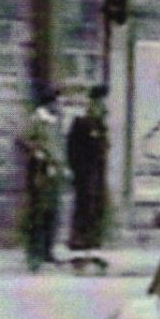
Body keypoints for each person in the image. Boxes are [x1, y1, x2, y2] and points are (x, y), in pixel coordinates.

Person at [20, 89, 67, 271]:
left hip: (55, 172)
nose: (59, 106)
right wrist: (37, 153)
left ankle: (48, 250)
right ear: (49, 103)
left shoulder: (56, 121)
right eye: (57, 102)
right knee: (38, 213)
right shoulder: (36, 121)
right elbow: (23, 139)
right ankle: (35, 254)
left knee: (52, 213)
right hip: (41, 173)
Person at [67, 85, 111, 252]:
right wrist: (77, 169)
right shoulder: (82, 123)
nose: (101, 107)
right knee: (84, 204)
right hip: (84, 171)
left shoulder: (100, 124)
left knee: (96, 204)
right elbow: (73, 149)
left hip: (97, 170)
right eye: (98, 103)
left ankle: (93, 238)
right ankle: (79, 238)